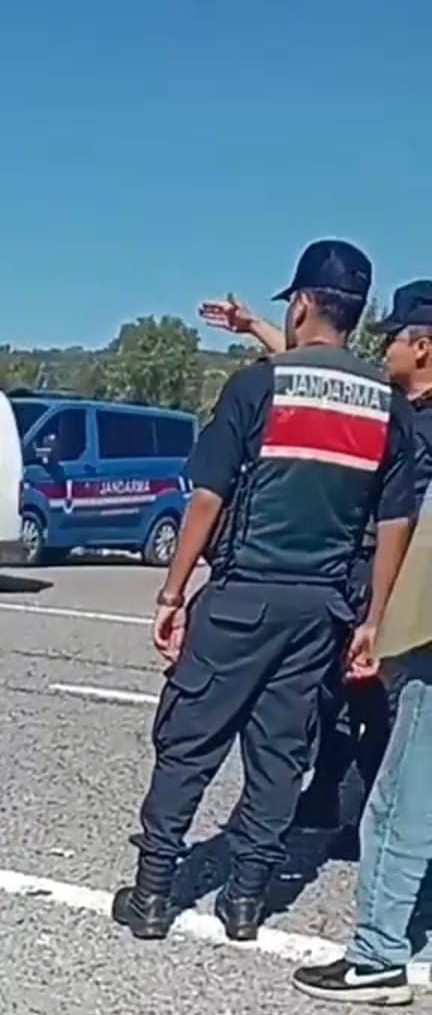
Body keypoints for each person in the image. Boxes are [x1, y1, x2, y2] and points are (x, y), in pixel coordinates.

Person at [112, 240, 415, 943]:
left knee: (190, 738)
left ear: (303, 303)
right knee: (281, 752)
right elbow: (395, 520)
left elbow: (208, 498)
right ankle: (246, 900)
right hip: (322, 610)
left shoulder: (261, 385)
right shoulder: (386, 405)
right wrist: (374, 619)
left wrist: (171, 592)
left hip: (244, 595)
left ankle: (154, 893)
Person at [293, 282, 432, 1005]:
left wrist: (382, 625)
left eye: (393, 339)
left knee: (399, 803)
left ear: (423, 345)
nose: (383, 352)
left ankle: (378, 957)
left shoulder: (418, 435)